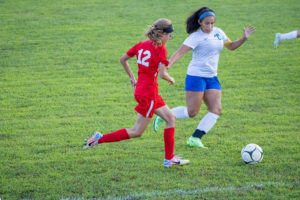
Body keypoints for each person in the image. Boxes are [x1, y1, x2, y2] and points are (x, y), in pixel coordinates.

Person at [82, 18, 189, 167]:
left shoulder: (141, 45)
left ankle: (169, 159)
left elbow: (123, 59)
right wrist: (171, 79)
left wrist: (133, 78)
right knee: (137, 131)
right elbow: (163, 74)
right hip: (149, 94)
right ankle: (99, 139)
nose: (169, 39)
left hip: (143, 91)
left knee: (171, 118)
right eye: (169, 36)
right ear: (162, 34)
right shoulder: (161, 48)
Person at [153, 7, 256, 148]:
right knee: (192, 112)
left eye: (212, 23)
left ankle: (195, 138)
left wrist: (244, 38)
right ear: (200, 22)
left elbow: (231, 46)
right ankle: (163, 115)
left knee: (216, 110)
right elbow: (179, 53)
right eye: (207, 23)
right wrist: (167, 66)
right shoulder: (195, 37)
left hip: (212, 77)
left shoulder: (218, 32)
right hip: (196, 76)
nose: (210, 26)